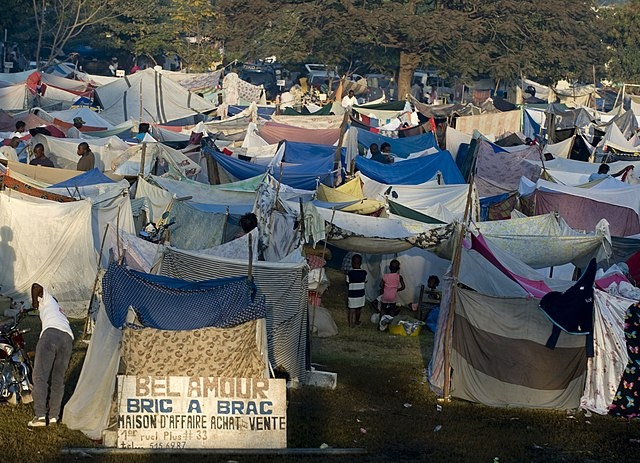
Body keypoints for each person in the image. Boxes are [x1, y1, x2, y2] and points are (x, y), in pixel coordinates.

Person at [27, 283, 74, 427]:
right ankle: (54, 416)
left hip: (51, 334)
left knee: (40, 376)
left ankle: (40, 416)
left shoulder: (49, 299)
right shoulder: (58, 311)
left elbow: (36, 286)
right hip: (68, 339)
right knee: (58, 380)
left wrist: (35, 303)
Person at [379, 259, 405, 329]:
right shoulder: (399, 277)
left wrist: (385, 288)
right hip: (393, 296)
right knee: (392, 310)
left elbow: (381, 285)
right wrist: (396, 290)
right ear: (398, 268)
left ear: (389, 267)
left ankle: (380, 324)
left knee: (383, 309)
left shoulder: (385, 276)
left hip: (385, 295)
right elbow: (403, 287)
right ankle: (391, 325)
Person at [346, 254, 367, 328]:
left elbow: (347, 282)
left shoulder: (349, 273)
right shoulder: (364, 273)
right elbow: (366, 281)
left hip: (352, 294)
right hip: (360, 294)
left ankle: (350, 324)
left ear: (352, 263)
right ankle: (357, 321)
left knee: (351, 309)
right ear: (361, 263)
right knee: (359, 308)